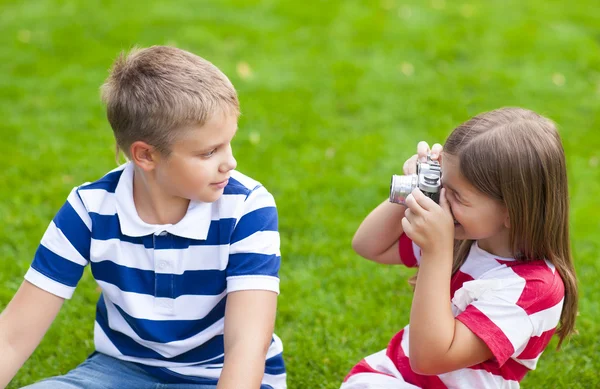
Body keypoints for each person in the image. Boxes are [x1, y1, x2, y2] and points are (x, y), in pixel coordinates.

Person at [0, 46, 286, 389]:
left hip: (219, 377)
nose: (230, 162)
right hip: (117, 373)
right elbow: (12, 337)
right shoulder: (90, 209)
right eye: (209, 152)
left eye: (228, 144)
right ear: (146, 155)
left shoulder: (247, 208)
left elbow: (246, 350)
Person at [341, 107, 578, 388]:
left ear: (512, 212)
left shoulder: (534, 288)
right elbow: (368, 246)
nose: (441, 199)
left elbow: (430, 359)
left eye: (456, 195)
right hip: (394, 376)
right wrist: (414, 190)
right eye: (441, 184)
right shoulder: (461, 239)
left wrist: (436, 253)